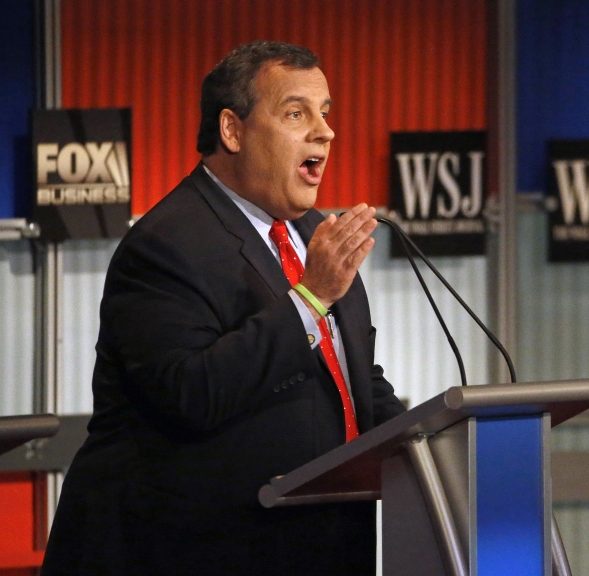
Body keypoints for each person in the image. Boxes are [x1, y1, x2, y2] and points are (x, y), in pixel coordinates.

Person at [41, 41, 405, 576]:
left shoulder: (310, 234)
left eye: (325, 113)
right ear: (232, 130)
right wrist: (310, 298)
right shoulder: (165, 243)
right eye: (296, 113)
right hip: (191, 551)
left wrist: (431, 443)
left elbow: (349, 376)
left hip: (318, 541)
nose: (324, 132)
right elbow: (190, 393)